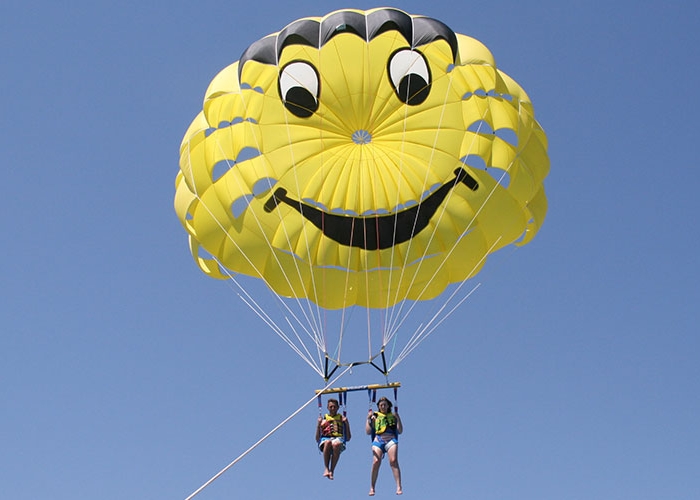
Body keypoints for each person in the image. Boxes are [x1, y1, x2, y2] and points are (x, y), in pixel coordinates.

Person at [366, 396, 403, 495]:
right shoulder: (375, 416)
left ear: (388, 406)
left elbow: (400, 431)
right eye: (381, 405)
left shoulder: (393, 416)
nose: (382, 406)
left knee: (393, 461)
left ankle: (399, 486)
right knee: (376, 462)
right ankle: (372, 487)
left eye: (384, 405)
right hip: (378, 439)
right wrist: (368, 419)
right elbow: (368, 432)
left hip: (390, 439)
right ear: (378, 406)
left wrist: (398, 418)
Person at [316, 398, 351, 480]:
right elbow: (317, 438)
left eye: (334, 407)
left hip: (338, 439)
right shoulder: (324, 418)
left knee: (336, 444)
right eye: (331, 407)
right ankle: (326, 468)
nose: (332, 409)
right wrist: (318, 425)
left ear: (338, 407)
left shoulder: (341, 418)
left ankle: (332, 470)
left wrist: (346, 423)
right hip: (326, 439)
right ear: (327, 408)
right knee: (328, 442)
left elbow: (348, 437)